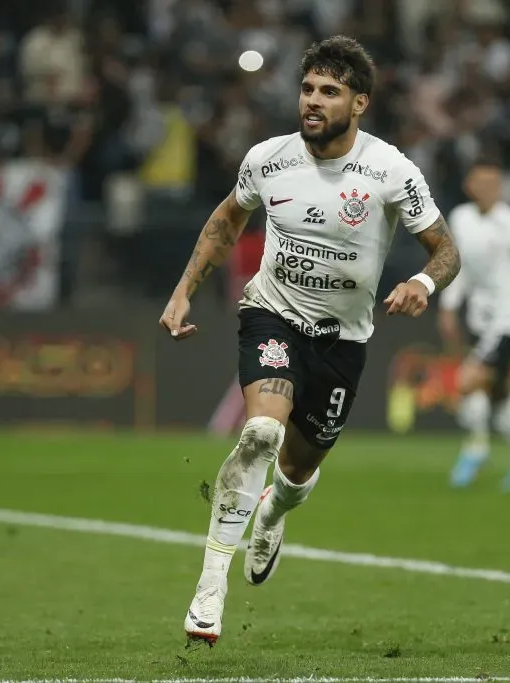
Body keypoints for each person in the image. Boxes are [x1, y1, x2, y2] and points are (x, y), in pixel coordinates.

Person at [159, 36, 460, 646]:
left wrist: (424, 282)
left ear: (360, 103)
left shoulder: (392, 171)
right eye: (307, 90)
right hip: (273, 317)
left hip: (342, 341)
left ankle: (272, 512)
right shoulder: (269, 158)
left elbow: (447, 251)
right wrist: (184, 289)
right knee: (261, 432)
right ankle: (210, 586)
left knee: (297, 473)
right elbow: (226, 221)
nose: (313, 102)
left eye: (330, 92)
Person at [437, 155, 510, 492]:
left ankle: (476, 448)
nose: (488, 189)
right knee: (499, 392)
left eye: (494, 184)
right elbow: (458, 266)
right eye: (482, 183)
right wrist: (448, 306)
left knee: (467, 381)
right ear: (469, 187)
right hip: (480, 319)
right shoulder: (460, 219)